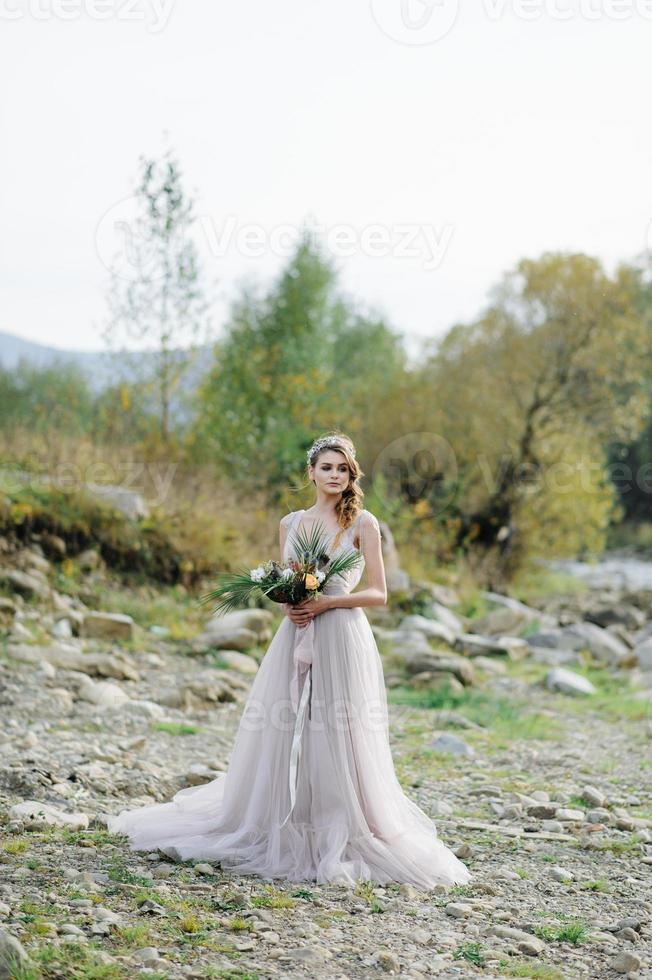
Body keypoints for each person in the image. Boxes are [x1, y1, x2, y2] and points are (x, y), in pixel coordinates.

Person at [106, 431, 471, 889]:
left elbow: (378, 593)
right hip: (297, 632)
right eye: (327, 468)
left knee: (340, 725)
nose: (334, 475)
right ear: (312, 473)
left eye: (342, 468)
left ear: (350, 473)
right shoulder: (291, 523)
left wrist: (326, 604)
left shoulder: (364, 524)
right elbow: (285, 584)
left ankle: (340, 818)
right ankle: (281, 816)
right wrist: (292, 604)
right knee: (285, 721)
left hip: (342, 632)